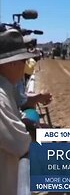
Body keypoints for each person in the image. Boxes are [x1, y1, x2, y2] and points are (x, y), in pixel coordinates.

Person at [0, 29, 38, 195]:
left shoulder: (7, 90)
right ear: (11, 63)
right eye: (22, 61)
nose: (25, 65)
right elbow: (22, 145)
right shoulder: (1, 98)